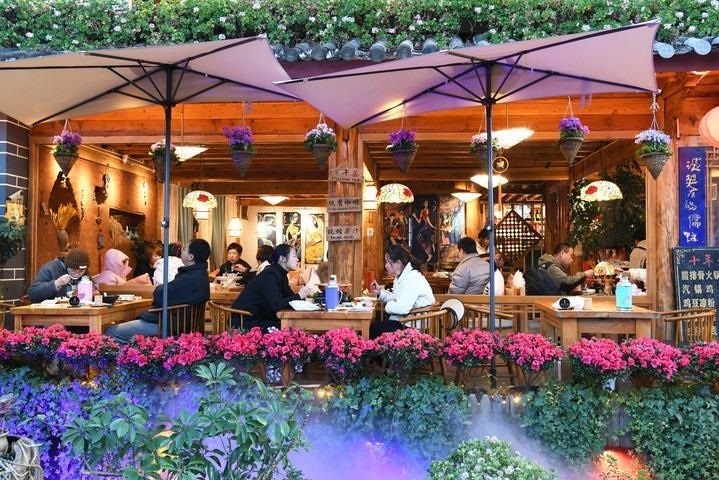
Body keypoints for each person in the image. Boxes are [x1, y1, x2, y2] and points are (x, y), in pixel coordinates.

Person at [104, 239, 211, 344]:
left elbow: (160, 295)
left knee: (112, 332)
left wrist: (160, 289)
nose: (181, 251)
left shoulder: (190, 278)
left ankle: (133, 354)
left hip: (168, 325)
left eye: (184, 249)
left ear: (191, 257)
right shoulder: (199, 275)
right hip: (178, 323)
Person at [231, 243, 312, 331]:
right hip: (245, 320)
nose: (297, 259)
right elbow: (276, 305)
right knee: (291, 330)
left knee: (297, 327)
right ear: (282, 258)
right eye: (294, 256)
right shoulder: (270, 275)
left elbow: (290, 297)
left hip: (260, 317)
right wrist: (299, 295)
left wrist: (306, 299)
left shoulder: (280, 274)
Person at [369, 245, 436, 339]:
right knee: (374, 327)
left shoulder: (412, 278)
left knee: (373, 330)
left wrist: (388, 306)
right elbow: (398, 298)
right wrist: (380, 292)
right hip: (405, 321)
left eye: (387, 262)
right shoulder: (403, 276)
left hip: (413, 326)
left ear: (398, 263)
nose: (385, 266)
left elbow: (402, 308)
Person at [28, 248, 93, 303]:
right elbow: (32, 294)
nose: (77, 274)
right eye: (73, 270)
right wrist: (56, 284)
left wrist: (93, 294)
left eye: (81, 271)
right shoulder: (50, 269)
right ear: (66, 265)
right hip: (51, 311)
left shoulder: (85, 273)